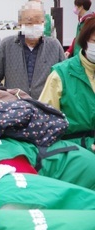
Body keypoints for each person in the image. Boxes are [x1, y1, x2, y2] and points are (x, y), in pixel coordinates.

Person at [0, 1, 65, 99]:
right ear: (20, 23)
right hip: (15, 108)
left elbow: (64, 78)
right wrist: (4, 98)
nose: (34, 25)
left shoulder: (54, 46)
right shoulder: (6, 45)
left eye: (38, 21)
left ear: (44, 22)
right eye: (29, 22)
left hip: (45, 109)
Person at [39, 16, 95, 152]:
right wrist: (85, 146)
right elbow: (44, 125)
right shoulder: (61, 74)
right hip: (76, 155)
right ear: (85, 41)